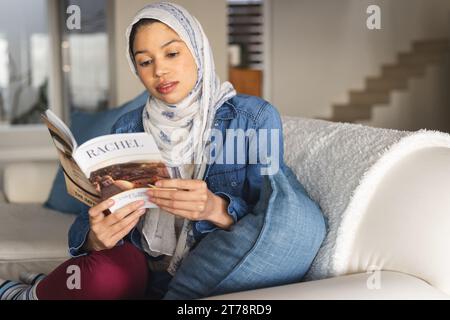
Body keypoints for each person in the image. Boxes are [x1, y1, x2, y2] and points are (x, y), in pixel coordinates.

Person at [0, 2, 319, 300]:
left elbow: (266, 215)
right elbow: (97, 216)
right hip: (141, 262)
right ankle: (29, 292)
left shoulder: (253, 118)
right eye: (145, 61)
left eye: (172, 54)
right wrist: (96, 237)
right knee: (100, 276)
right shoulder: (128, 125)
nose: (160, 71)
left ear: (198, 51)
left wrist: (213, 208)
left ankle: (39, 285)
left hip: (205, 265)